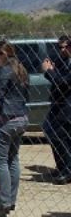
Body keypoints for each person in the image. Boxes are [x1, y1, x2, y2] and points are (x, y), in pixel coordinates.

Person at [0, 40, 29, 211]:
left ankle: (4, 201)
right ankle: (11, 199)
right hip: (21, 117)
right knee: (13, 159)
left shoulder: (4, 71)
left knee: (0, 161)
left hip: (5, 120)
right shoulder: (21, 69)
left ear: (3, 55)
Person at [41, 35, 71, 185]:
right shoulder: (62, 61)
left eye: (66, 47)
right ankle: (62, 167)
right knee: (52, 132)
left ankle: (66, 171)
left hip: (67, 107)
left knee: (62, 137)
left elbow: (64, 82)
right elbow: (58, 79)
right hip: (58, 104)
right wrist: (52, 70)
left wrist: (49, 71)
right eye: (60, 47)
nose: (63, 50)